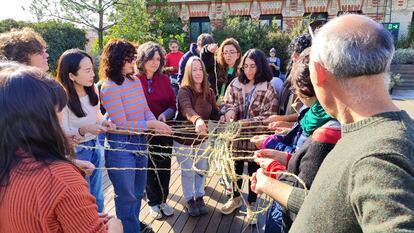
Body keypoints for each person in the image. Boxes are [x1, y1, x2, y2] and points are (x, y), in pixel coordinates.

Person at [256, 14, 414, 232]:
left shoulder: (380, 157)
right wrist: (270, 183)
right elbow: (326, 202)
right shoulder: (364, 131)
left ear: (318, 73)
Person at [0, 64, 123, 233]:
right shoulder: (60, 178)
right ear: (44, 116)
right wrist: (116, 226)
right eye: (59, 109)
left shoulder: (8, 162)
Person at [251, 48, 341, 233]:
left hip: (293, 210)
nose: (296, 96)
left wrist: (271, 173)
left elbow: (303, 190)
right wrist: (280, 153)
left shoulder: (328, 130)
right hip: (284, 194)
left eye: (298, 91)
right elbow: (302, 154)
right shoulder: (314, 114)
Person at [99, 39, 172, 233]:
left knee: (138, 192)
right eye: (129, 59)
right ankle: (130, 229)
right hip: (121, 147)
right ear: (115, 60)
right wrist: (150, 124)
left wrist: (156, 123)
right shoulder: (109, 87)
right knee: (126, 195)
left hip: (140, 142)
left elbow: (144, 109)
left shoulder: (133, 80)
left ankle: (132, 224)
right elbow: (121, 125)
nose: (133, 63)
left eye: (133, 58)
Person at [220, 49, 278, 224]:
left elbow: (270, 116)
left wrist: (246, 122)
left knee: (254, 170)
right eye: (245, 66)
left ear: (260, 66)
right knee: (234, 168)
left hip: (255, 137)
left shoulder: (268, 87)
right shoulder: (235, 83)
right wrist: (228, 112)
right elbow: (226, 102)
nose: (249, 70)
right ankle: (235, 198)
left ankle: (252, 204)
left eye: (253, 66)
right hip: (235, 136)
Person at [56, 49, 115, 213]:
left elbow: (97, 115)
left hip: (95, 146)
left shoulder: (93, 89)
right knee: (83, 196)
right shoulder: (61, 97)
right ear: (71, 75)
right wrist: (83, 130)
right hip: (76, 152)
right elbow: (63, 131)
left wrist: (105, 122)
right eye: (87, 70)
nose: (93, 74)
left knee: (97, 194)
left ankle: (100, 224)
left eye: (92, 69)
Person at [174, 56, 221, 217]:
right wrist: (197, 119)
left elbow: (215, 112)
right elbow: (186, 109)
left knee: (201, 168)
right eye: (194, 69)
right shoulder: (183, 91)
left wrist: (222, 118)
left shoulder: (210, 92)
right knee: (187, 170)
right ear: (188, 71)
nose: (198, 72)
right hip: (184, 139)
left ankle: (199, 196)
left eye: (200, 69)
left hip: (203, 138)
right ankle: (189, 199)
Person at [135, 42, 176, 219]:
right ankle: (153, 202)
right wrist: (150, 122)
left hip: (164, 130)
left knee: (165, 167)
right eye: (151, 58)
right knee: (149, 168)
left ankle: (163, 200)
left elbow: (172, 105)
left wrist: (165, 115)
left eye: (158, 59)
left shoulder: (165, 79)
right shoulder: (134, 80)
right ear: (142, 59)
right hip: (145, 132)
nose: (154, 62)